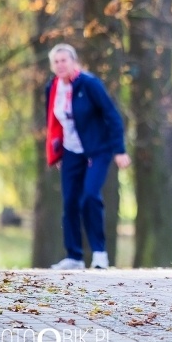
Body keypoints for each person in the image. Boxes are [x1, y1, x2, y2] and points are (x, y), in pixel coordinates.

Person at [45, 43, 131, 270]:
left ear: (73, 61)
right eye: (56, 61)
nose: (60, 65)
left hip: (97, 150)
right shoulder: (53, 88)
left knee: (90, 197)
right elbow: (54, 123)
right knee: (70, 202)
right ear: (52, 66)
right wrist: (56, 153)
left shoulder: (89, 84)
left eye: (64, 60)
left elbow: (111, 115)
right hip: (70, 151)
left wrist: (119, 150)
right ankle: (74, 256)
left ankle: (100, 254)